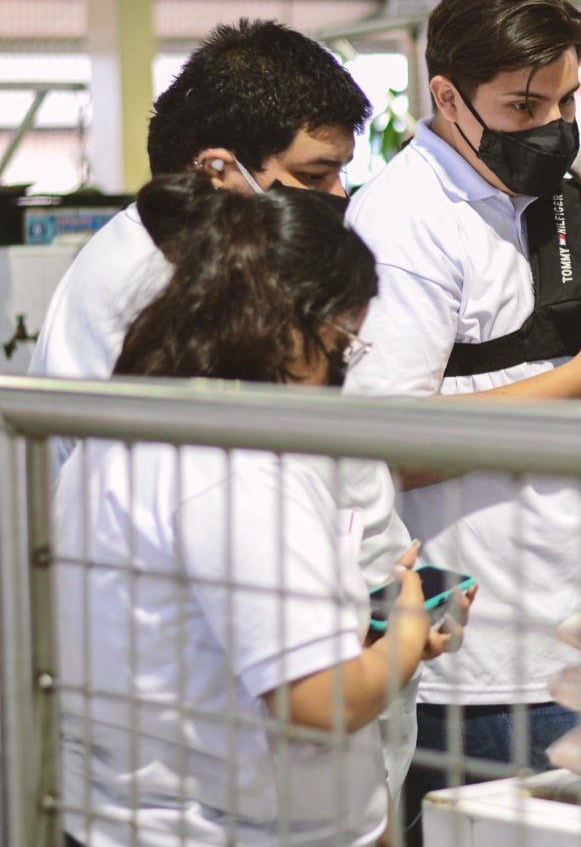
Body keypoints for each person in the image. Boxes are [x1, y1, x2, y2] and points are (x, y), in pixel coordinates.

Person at [340, 0, 581, 832]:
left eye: (567, 102)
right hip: (487, 665)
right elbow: (387, 446)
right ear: (447, 97)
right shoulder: (404, 222)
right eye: (523, 107)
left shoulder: (555, 198)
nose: (551, 128)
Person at [55, 176, 471, 847]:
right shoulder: (237, 468)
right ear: (283, 325)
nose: (341, 367)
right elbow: (318, 700)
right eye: (342, 341)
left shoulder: (121, 431)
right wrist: (405, 630)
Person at [30, 18, 371, 441]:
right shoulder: (141, 282)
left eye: (341, 174)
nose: (338, 196)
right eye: (314, 176)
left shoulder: (213, 254)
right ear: (216, 169)